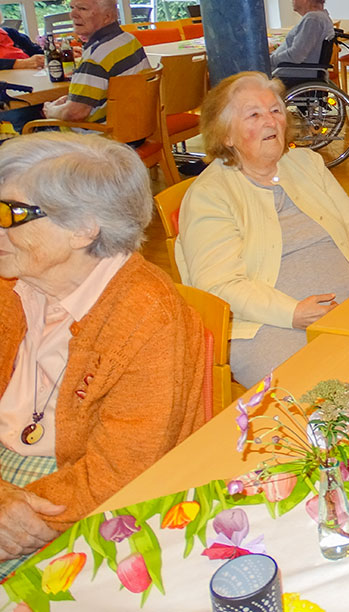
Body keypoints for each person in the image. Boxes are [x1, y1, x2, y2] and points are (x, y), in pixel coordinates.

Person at [0, 133, 205, 576]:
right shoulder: (11, 281)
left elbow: (117, 473)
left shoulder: (147, 318)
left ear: (83, 228)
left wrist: (16, 515)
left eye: (9, 213)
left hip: (72, 492)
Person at [176, 72, 349, 385]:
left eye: (275, 110)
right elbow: (218, 284)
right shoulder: (210, 195)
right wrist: (293, 312)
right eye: (254, 115)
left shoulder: (305, 163)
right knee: (322, 394)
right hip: (269, 325)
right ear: (226, 135)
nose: (270, 122)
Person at [41, 0, 150, 125]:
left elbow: (75, 113)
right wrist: (70, 101)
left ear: (107, 16)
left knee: (29, 129)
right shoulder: (128, 40)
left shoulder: (96, 56)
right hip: (136, 129)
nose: (73, 14)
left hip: (101, 140)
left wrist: (50, 110)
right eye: (72, 7)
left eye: (82, 8)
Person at [270, 0, 334, 86]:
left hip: (292, 74)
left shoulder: (313, 19)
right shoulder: (320, 17)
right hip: (295, 71)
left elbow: (296, 55)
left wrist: (269, 60)